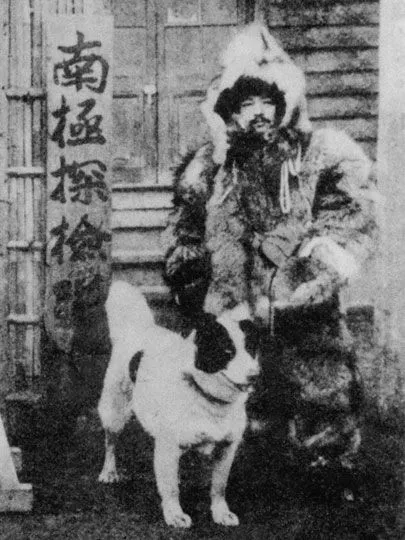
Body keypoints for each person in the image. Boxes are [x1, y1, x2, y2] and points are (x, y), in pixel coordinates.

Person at [162, 23, 379, 476]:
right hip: (233, 302)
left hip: (299, 300)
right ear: (228, 110)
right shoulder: (211, 164)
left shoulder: (320, 154)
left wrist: (317, 267)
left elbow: (349, 213)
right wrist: (192, 273)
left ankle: (327, 462)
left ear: (286, 102)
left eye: (267, 101)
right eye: (246, 104)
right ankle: (243, 467)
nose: (258, 113)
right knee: (239, 390)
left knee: (320, 381)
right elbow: (185, 228)